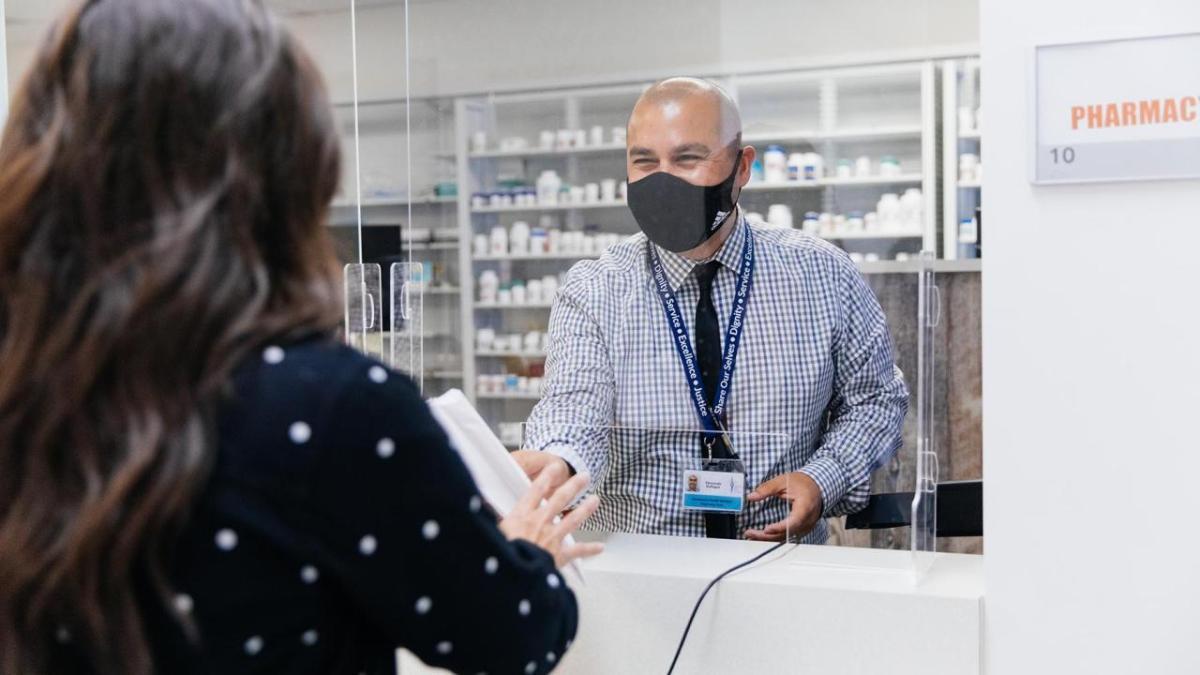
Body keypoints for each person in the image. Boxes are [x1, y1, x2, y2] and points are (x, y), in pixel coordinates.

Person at [0, 1, 600, 674]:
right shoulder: (327, 405)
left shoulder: (27, 377)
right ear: (290, 166)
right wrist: (526, 550)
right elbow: (510, 635)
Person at [515, 77, 908, 544]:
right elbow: (574, 407)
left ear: (741, 167)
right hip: (643, 571)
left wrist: (823, 479)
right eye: (645, 161)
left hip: (779, 564)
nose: (664, 180)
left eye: (688, 158)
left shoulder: (823, 275)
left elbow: (876, 400)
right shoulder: (596, 289)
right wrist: (558, 463)